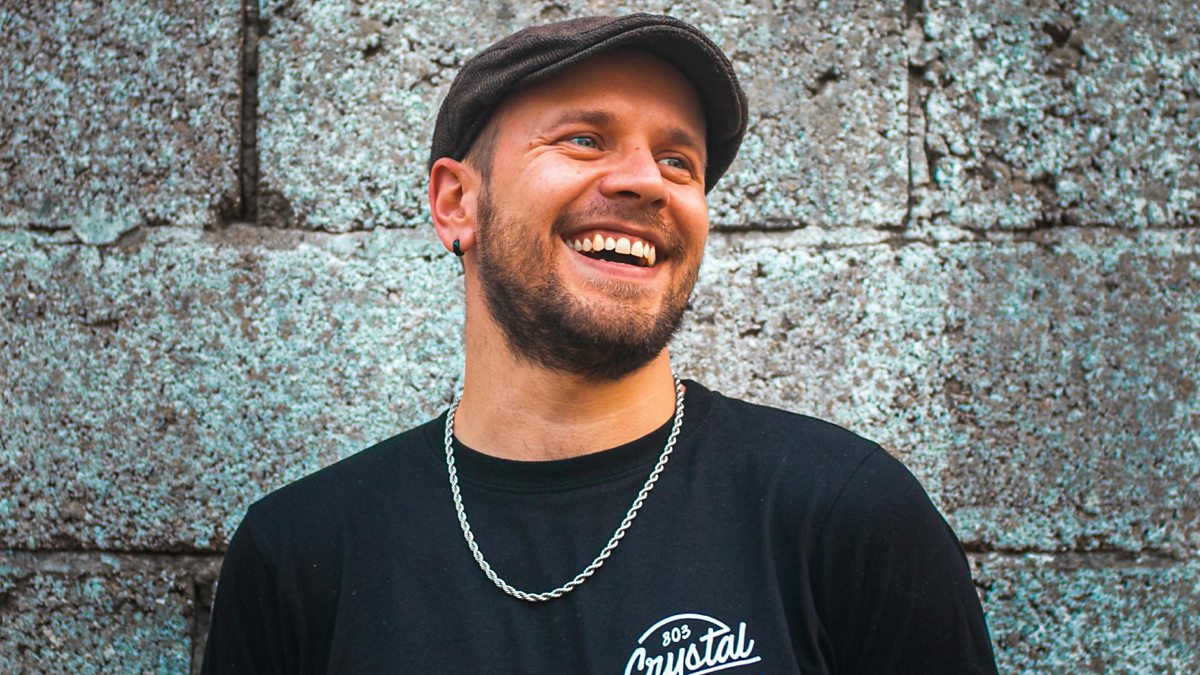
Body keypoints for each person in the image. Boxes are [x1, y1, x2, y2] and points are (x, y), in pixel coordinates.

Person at [202, 13, 997, 674]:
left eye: (678, 160)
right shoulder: (300, 555)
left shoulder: (846, 517)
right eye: (585, 139)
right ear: (456, 202)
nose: (646, 180)